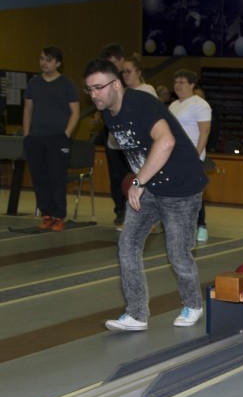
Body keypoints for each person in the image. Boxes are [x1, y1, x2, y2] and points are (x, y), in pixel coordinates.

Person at [83, 58, 208, 332]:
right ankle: (137, 314)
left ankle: (193, 303)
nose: (94, 95)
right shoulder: (108, 114)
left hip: (181, 188)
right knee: (127, 245)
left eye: (99, 87)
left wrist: (138, 181)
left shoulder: (141, 104)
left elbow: (166, 141)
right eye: (89, 90)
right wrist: (141, 182)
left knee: (177, 252)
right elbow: (137, 149)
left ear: (116, 84)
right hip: (151, 186)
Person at [22, 46, 80, 232]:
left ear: (58, 63)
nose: (44, 63)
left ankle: (58, 216)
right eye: (42, 59)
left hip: (58, 138)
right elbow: (28, 109)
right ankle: (46, 214)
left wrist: (66, 134)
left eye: (48, 59)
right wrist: (26, 135)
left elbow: (75, 112)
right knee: (40, 178)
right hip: (36, 138)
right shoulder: (34, 83)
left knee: (56, 178)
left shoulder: (67, 84)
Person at [169, 69, 212, 242]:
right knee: (176, 193)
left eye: (182, 82)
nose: (178, 86)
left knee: (194, 194)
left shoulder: (199, 104)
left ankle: (201, 226)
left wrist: (195, 154)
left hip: (192, 157)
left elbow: (204, 131)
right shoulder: (173, 105)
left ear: (192, 85)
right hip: (174, 157)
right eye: (176, 82)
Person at [95, 43, 134, 227]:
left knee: (134, 174)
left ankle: (134, 209)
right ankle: (119, 210)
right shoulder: (104, 81)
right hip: (113, 137)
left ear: (121, 60)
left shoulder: (129, 80)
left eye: (113, 62)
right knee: (116, 176)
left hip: (132, 136)